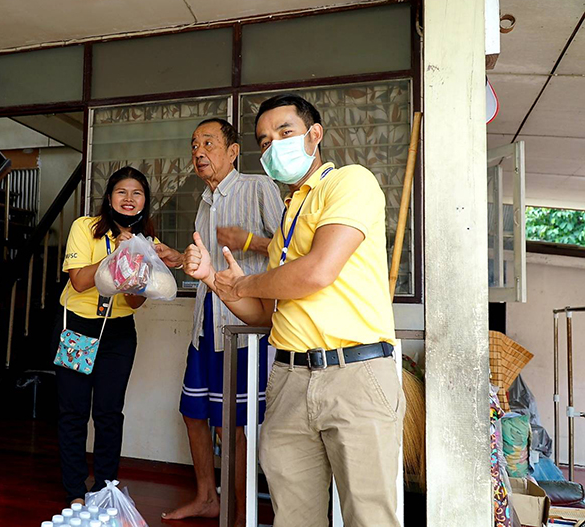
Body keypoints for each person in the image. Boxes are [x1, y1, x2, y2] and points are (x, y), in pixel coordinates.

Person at [183, 94, 405, 527]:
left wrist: (245, 282)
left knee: (368, 517)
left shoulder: (349, 183)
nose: (274, 146)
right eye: (265, 142)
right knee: (294, 517)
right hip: (288, 378)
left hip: (353, 374)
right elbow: (266, 314)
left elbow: (318, 271)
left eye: (285, 132)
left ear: (314, 135)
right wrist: (212, 278)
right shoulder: (288, 218)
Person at [155, 118, 283, 525]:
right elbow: (206, 263)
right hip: (205, 322)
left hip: (243, 324)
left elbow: (290, 249)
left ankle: (239, 513)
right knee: (193, 413)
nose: (198, 152)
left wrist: (248, 242)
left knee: (233, 425)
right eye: (194, 145)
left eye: (208, 143)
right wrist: (178, 259)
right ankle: (207, 498)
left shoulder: (258, 187)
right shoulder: (204, 201)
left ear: (233, 151)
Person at [54, 166, 159, 506]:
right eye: (121, 192)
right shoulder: (85, 227)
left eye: (137, 193)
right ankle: (75, 491)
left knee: (109, 413)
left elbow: (135, 301)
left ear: (145, 200)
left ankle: (103, 490)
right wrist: (118, 257)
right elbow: (78, 282)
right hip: (78, 327)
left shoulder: (147, 241)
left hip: (118, 333)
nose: (129, 199)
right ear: (109, 197)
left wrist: (137, 261)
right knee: (73, 412)